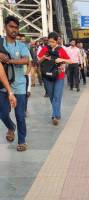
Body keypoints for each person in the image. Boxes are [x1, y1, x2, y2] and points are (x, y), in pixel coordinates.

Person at [0, 16, 30, 151]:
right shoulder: (0, 44)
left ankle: (22, 141)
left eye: (16, 27)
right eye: (11, 27)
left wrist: (9, 61)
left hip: (19, 85)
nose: (14, 30)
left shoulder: (21, 45)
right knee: (3, 113)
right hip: (2, 86)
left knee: (20, 115)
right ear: (5, 27)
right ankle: (11, 127)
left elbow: (25, 60)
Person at [38, 32, 72, 126]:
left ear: (57, 41)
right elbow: (38, 61)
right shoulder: (45, 49)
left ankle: (54, 116)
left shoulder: (61, 50)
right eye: (49, 41)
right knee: (52, 96)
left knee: (57, 96)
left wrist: (61, 60)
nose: (51, 43)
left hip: (59, 76)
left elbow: (70, 60)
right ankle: (57, 113)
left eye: (53, 42)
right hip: (47, 76)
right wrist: (44, 57)